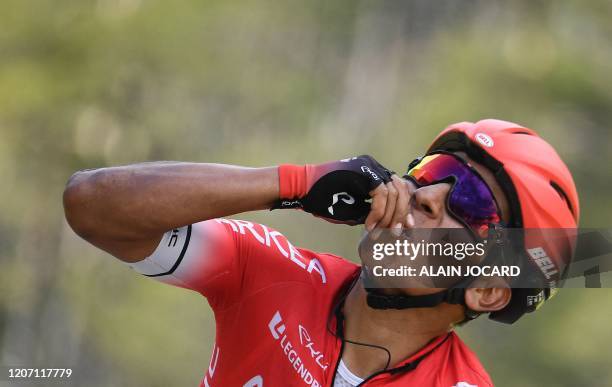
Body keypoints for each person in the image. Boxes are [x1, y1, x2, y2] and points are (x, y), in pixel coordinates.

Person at [63, 119, 579, 387]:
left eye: (471, 201)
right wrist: (293, 183)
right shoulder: (272, 272)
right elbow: (92, 206)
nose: (426, 194)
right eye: (435, 171)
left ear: (488, 288)